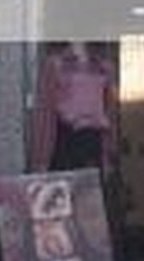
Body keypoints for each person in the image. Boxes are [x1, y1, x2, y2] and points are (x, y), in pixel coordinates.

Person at [39, 39, 116, 175]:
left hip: (93, 139)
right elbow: (47, 116)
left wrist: (107, 156)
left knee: (91, 191)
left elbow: (109, 113)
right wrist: (41, 162)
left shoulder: (104, 66)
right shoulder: (56, 64)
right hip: (66, 139)